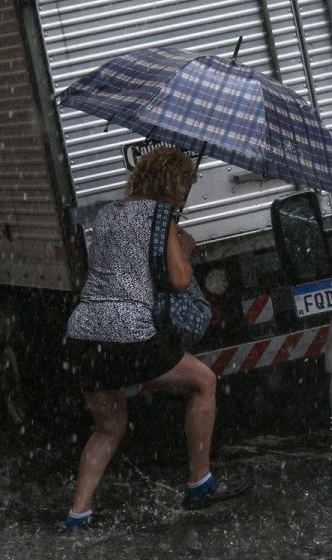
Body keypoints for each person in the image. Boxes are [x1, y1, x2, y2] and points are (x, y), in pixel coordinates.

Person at [63, 147, 247, 531]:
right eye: (187, 184)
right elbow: (179, 280)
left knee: (107, 428)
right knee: (203, 382)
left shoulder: (108, 211)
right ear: (174, 184)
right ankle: (200, 483)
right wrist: (185, 249)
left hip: (83, 335)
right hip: (130, 334)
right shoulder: (161, 216)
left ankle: (78, 515)